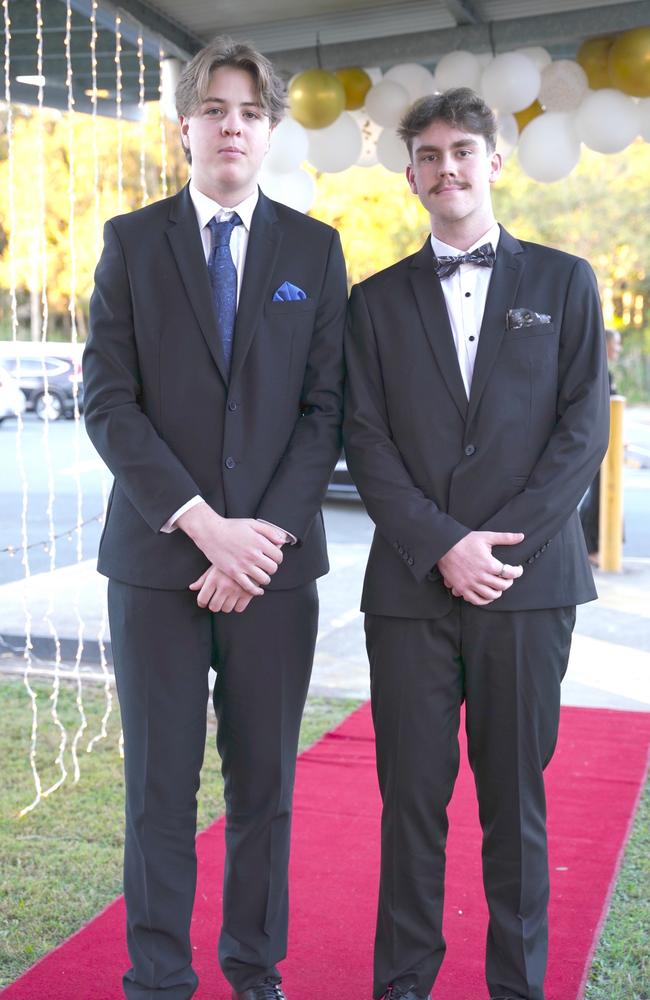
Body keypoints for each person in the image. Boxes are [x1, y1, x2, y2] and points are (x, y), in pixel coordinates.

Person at [83, 37, 346, 1000]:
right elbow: (108, 401)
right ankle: (157, 977)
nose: (231, 124)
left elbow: (327, 414)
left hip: (274, 571)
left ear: (269, 130)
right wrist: (204, 525)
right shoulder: (129, 241)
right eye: (215, 108)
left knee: (263, 789)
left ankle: (254, 969)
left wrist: (256, 542)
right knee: (158, 788)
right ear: (183, 126)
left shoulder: (315, 251)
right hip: (157, 564)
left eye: (249, 111)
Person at [343, 88, 609, 1000]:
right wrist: (442, 544)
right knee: (410, 808)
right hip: (411, 593)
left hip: (528, 591)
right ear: (411, 174)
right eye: (428, 154)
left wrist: (495, 549)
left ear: (494, 161)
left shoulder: (567, 282)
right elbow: (365, 441)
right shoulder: (372, 303)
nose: (446, 167)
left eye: (462, 150)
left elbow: (582, 434)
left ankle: (518, 988)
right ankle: (404, 984)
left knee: (515, 807)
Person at [579, 327, 621, 560]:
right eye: (616, 343)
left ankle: (594, 545)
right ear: (605, 343)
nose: (618, 348)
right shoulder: (598, 372)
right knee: (597, 495)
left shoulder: (606, 373)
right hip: (597, 442)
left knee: (599, 493)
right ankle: (592, 546)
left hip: (606, 441)